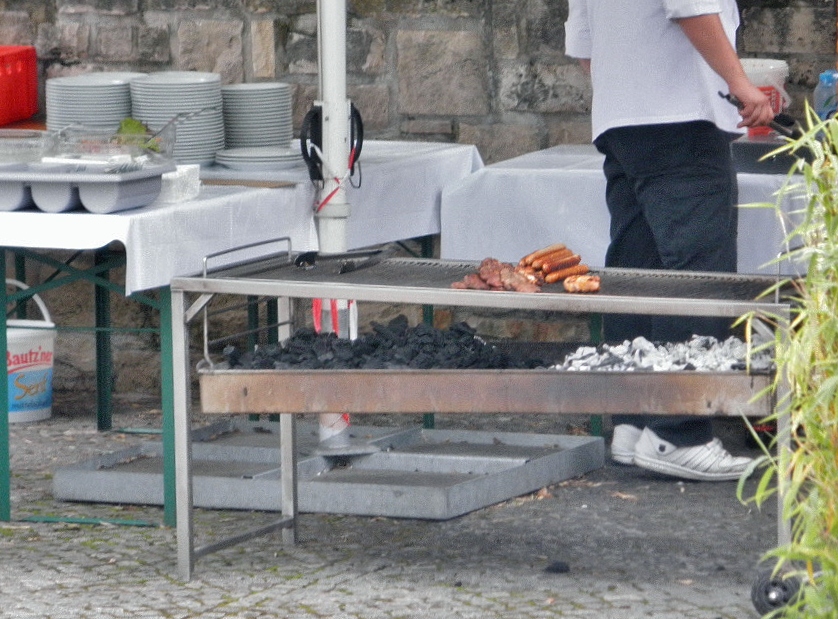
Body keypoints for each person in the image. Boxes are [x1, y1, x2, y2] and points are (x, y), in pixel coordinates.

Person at [564, 1, 777, 481]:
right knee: (697, 274)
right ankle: (679, 432)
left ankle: (634, 422)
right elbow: (690, 5)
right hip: (682, 117)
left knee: (639, 269)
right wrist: (740, 84)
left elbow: (583, 44)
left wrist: (631, 85)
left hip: (623, 120)